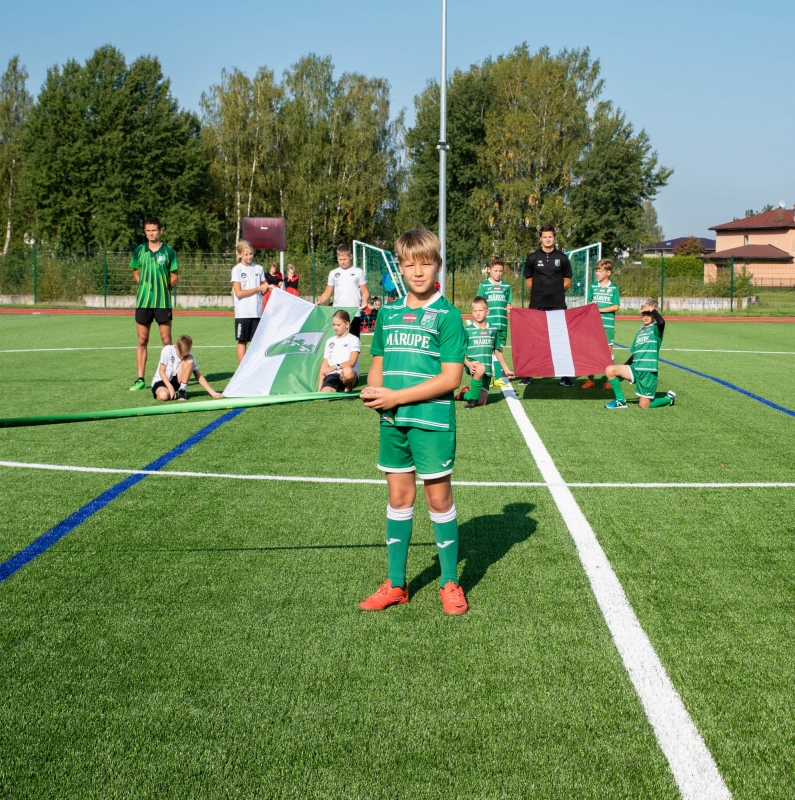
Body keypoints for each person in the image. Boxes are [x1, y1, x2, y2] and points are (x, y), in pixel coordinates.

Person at [359, 229, 468, 616]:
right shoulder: (387, 313)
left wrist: (396, 397)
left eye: (426, 263)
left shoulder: (449, 316)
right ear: (400, 267)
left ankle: (450, 581)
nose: (417, 271)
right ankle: (396, 584)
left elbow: (451, 379)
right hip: (393, 422)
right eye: (409, 264)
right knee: (398, 498)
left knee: (438, 499)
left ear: (438, 265)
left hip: (432, 423)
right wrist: (374, 392)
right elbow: (377, 367)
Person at [129, 217, 179, 391]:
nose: (151, 233)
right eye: (148, 230)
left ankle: (171, 376)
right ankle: (140, 379)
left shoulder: (169, 252)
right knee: (142, 339)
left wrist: (164, 289)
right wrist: (145, 287)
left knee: (166, 340)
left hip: (162, 302)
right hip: (143, 302)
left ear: (161, 231)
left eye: (154, 230)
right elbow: (136, 273)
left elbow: (174, 276)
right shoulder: (139, 251)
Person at [521, 225, 573, 386]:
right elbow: (528, 279)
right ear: (540, 239)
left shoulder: (563, 258)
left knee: (560, 341)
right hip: (537, 304)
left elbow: (568, 280)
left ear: (554, 238)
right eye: (545, 237)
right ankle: (527, 374)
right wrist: (541, 291)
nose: (548, 239)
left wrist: (555, 291)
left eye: (550, 236)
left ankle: (565, 376)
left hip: (557, 304)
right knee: (533, 339)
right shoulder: (532, 258)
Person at [604, 299, 675, 410]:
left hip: (648, 372)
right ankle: (620, 401)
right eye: (643, 314)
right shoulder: (640, 331)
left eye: (648, 314)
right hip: (635, 369)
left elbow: (662, 322)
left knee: (643, 405)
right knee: (610, 370)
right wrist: (622, 369)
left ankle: (668, 399)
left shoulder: (656, 329)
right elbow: (635, 354)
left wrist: (652, 309)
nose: (646, 316)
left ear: (653, 314)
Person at [455, 296, 514, 409]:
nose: (478, 313)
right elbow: (460, 351)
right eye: (475, 311)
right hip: (472, 365)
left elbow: (497, 351)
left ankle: (464, 394)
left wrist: (506, 369)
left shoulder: (493, 330)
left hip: (486, 368)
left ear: (487, 311)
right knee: (480, 368)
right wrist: (467, 364)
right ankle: (472, 400)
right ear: (472, 312)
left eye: (481, 310)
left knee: (482, 401)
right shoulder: (467, 330)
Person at [582, 258, 621, 390]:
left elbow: (616, 306)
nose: (597, 273)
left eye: (600, 271)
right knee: (591, 351)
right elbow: (588, 303)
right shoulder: (593, 286)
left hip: (608, 324)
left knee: (608, 351)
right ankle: (590, 380)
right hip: (593, 324)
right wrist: (592, 307)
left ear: (608, 272)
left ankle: (610, 380)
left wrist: (599, 309)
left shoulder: (614, 288)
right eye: (597, 271)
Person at [315, 244, 369, 337]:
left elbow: (365, 291)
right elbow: (328, 291)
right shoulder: (333, 273)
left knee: (353, 343)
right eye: (340, 259)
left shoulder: (358, 272)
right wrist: (320, 301)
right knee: (337, 342)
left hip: (354, 313)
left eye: (345, 259)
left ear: (350, 256)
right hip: (338, 313)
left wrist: (364, 301)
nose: (342, 262)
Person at [477, 256, 513, 387]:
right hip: (488, 325)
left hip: (502, 324)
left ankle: (497, 377)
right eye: (495, 270)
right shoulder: (484, 286)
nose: (498, 273)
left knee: (499, 349)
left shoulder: (506, 286)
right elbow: (479, 304)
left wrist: (510, 309)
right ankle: (487, 377)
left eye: (501, 271)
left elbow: (508, 304)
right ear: (489, 270)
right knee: (487, 350)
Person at [151, 335, 222, 402]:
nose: (182, 357)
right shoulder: (167, 350)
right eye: (180, 354)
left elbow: (199, 376)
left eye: (184, 355)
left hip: (177, 382)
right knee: (164, 396)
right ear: (176, 346)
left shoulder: (190, 356)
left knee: (190, 359)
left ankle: (182, 390)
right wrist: (170, 388)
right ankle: (162, 393)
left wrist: (213, 393)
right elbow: (161, 371)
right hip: (162, 380)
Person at [231, 240, 268, 364]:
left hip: (257, 312)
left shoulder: (259, 268)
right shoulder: (237, 269)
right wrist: (258, 288)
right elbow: (239, 293)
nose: (249, 257)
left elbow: (263, 288)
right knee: (243, 341)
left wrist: (266, 288)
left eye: (251, 254)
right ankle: (242, 369)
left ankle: (254, 367)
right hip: (243, 313)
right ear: (240, 254)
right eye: (246, 254)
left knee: (257, 343)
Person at [317, 310, 361, 393]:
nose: (335, 327)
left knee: (347, 371)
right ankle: (334, 388)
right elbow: (324, 364)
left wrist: (334, 367)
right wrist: (319, 388)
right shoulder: (329, 341)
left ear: (347, 324)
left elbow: (352, 362)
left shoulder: (354, 339)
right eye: (333, 325)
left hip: (348, 375)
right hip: (333, 375)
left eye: (338, 325)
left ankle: (348, 389)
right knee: (324, 396)